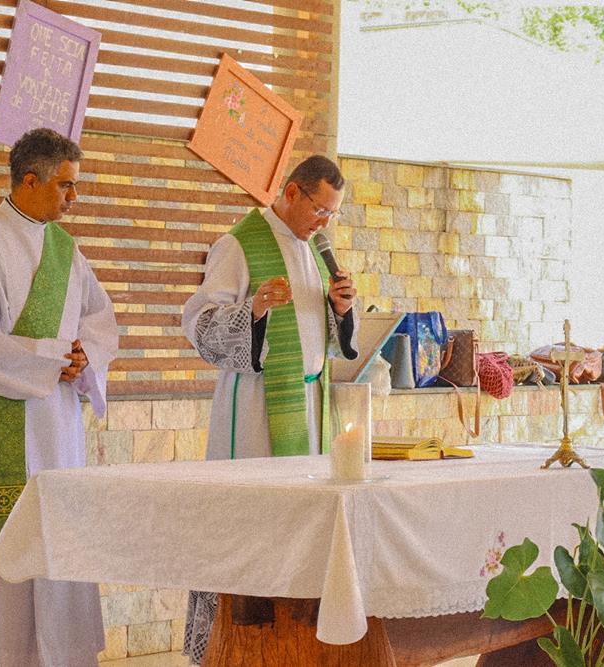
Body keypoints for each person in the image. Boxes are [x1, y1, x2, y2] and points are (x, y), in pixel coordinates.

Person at [0, 128, 118, 667]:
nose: (74, 196)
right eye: (65, 185)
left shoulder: (67, 251)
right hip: (3, 418)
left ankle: (57, 655)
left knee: (58, 543)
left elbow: (100, 321)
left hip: (57, 428)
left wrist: (83, 357)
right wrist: (52, 358)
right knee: (5, 562)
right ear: (30, 181)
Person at [179, 155, 359, 663]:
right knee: (249, 526)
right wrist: (254, 310)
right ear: (292, 192)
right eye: (320, 210)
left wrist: (340, 309)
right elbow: (199, 322)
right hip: (256, 409)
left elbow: (321, 336)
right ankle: (237, 642)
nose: (324, 223)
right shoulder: (239, 244)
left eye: (332, 214)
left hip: (309, 405)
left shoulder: (313, 250)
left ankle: (296, 641)